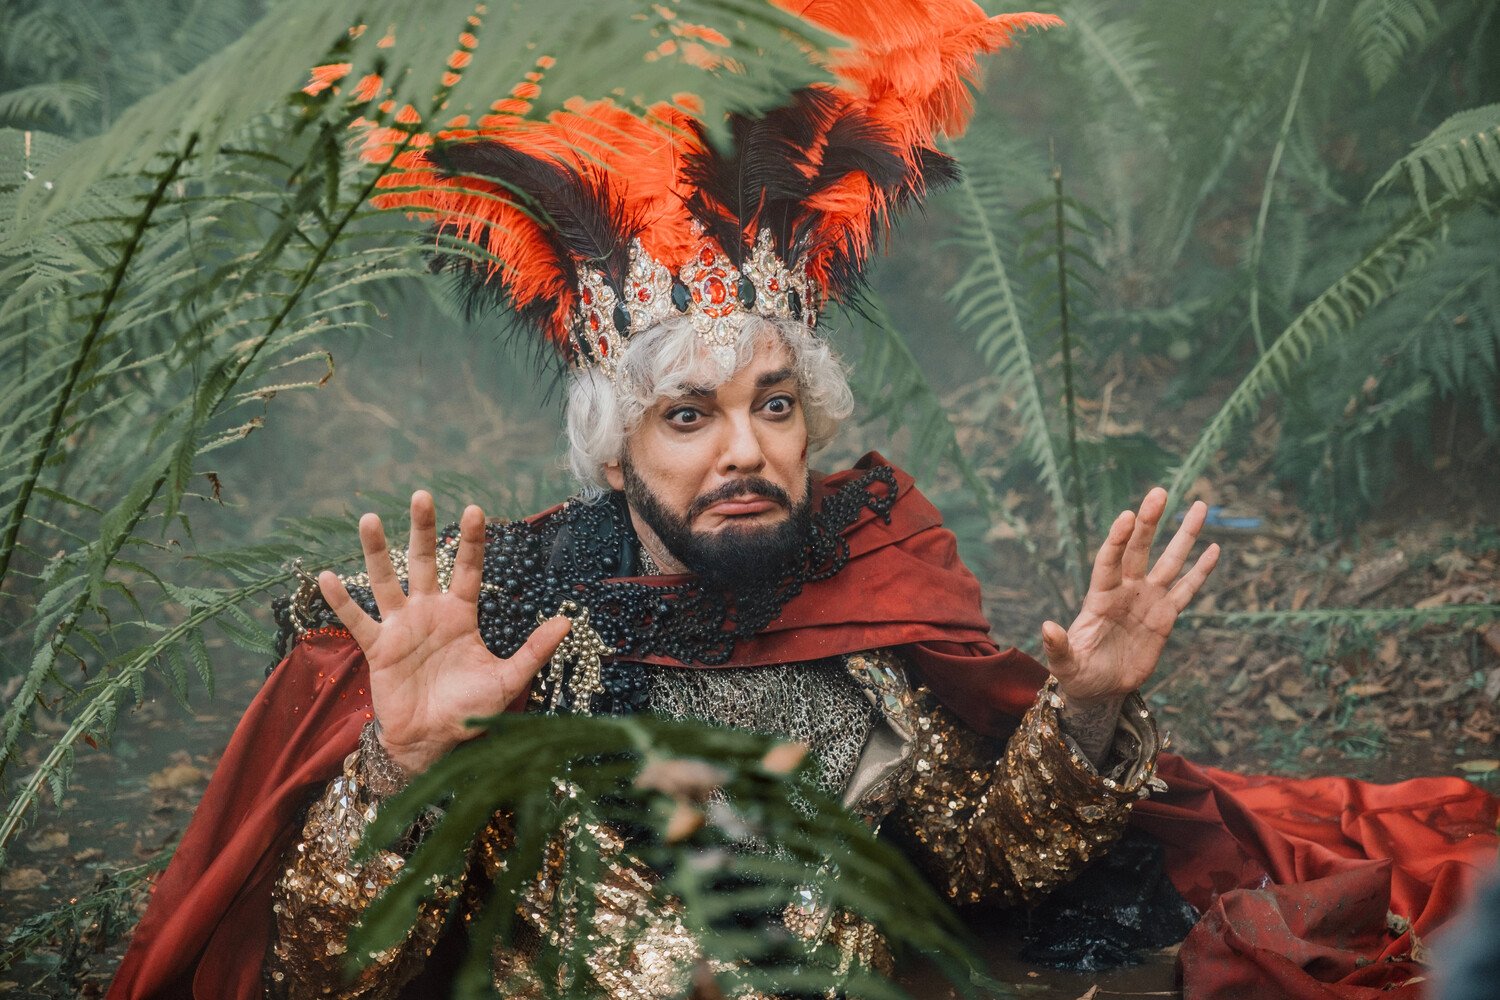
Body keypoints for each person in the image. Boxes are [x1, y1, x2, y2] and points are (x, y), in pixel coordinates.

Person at [110, 2, 1498, 998]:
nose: (745, 451)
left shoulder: (858, 608)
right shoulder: (506, 640)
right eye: (689, 415)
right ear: (614, 451)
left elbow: (987, 867)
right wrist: (403, 769)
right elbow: (327, 975)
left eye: (774, 405)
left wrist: (1084, 713)